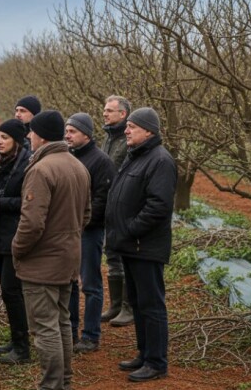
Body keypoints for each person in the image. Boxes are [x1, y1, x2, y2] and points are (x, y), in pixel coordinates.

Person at [13, 110, 91, 390]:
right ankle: (64, 381)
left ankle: (51, 384)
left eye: (31, 132)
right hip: (68, 258)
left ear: (41, 135)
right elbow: (86, 214)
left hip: (42, 262)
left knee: (45, 328)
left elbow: (32, 222)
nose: (29, 137)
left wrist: (17, 249)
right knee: (62, 323)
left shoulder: (41, 170)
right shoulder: (78, 165)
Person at [106, 107, 176, 382]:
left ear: (149, 130)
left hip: (144, 246)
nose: (126, 130)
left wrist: (130, 229)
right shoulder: (137, 156)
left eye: (132, 126)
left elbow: (158, 206)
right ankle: (144, 353)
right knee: (137, 302)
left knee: (152, 305)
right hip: (131, 245)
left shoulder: (160, 161)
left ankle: (157, 362)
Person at [64, 113, 116, 354]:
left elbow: (101, 203)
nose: (68, 135)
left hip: (89, 232)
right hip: (70, 231)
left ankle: (91, 335)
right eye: (66, 130)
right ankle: (72, 331)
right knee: (70, 281)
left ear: (86, 133)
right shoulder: (68, 157)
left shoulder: (100, 161)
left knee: (91, 284)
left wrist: (80, 222)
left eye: (73, 131)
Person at [0, 119, 32, 365]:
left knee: (13, 292)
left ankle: (23, 348)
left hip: (14, 236)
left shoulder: (26, 165)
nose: (0, 141)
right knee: (6, 291)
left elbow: (27, 202)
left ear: (17, 140)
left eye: (5, 137)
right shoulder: (1, 162)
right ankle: (16, 340)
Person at [101, 95, 134, 327]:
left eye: (110, 110)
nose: (105, 113)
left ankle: (128, 306)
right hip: (108, 203)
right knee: (111, 252)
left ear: (122, 114)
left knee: (123, 255)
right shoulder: (109, 137)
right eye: (105, 109)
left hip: (123, 204)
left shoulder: (128, 138)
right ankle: (115, 304)